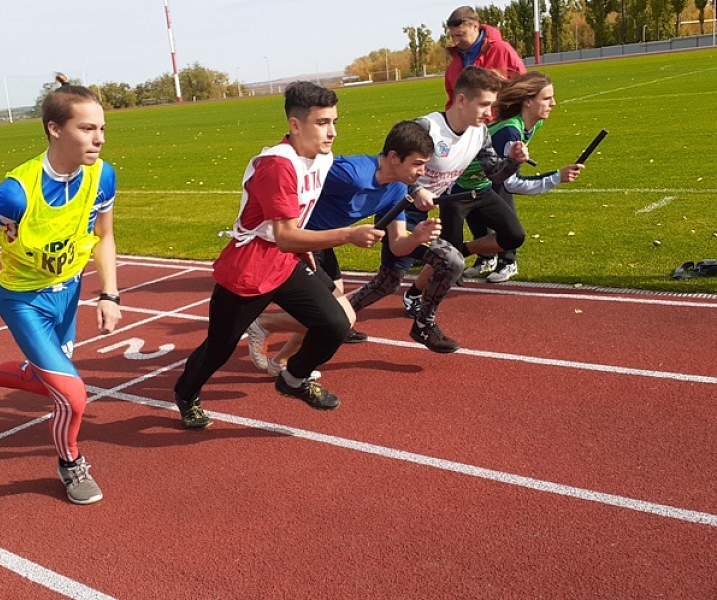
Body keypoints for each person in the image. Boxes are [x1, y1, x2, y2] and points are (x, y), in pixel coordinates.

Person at [0, 73, 120, 505]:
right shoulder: (15, 194)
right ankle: (70, 463)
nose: (99, 140)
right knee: (73, 396)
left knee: (47, 381)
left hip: (68, 295)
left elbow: (105, 236)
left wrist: (109, 293)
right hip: (23, 301)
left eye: (102, 129)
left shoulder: (103, 177)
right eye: (87, 129)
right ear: (55, 129)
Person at [172, 81, 385, 428]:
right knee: (219, 348)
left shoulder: (322, 157)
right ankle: (186, 393)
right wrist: (347, 234)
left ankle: (294, 379)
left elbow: (296, 223)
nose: (332, 132)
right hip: (250, 266)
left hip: (285, 261)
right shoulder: (277, 166)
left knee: (335, 323)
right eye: (322, 123)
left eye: (334, 121)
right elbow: (285, 237)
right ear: (295, 125)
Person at [245, 119, 460, 371]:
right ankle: (265, 323)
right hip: (298, 243)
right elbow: (300, 168)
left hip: (325, 243)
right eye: (417, 164)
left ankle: (280, 361)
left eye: (424, 164)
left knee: (334, 316)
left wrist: (416, 238)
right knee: (339, 318)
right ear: (393, 157)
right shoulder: (352, 174)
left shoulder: (397, 190)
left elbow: (398, 246)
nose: (422, 172)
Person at [352, 66, 528, 346]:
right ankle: (341, 319)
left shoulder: (479, 133)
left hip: (423, 214)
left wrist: (513, 162)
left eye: (491, 106)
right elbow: (392, 162)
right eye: (483, 105)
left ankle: (350, 318)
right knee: (436, 265)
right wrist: (417, 189)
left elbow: (493, 174)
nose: (489, 114)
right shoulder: (428, 127)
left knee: (394, 281)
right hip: (396, 208)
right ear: (460, 100)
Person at [462, 71, 584, 282]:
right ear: (527, 102)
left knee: (492, 202)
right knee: (497, 201)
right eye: (546, 98)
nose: (553, 103)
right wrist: (556, 177)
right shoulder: (509, 132)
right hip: (465, 179)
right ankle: (500, 260)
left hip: (479, 177)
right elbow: (512, 183)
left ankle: (498, 259)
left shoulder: (533, 122)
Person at [443, 6, 526, 110]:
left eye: (460, 35)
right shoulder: (453, 65)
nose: (456, 41)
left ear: (475, 26)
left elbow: (524, 88)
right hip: (468, 125)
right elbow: (453, 103)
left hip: (500, 123)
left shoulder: (502, 51)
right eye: (453, 36)